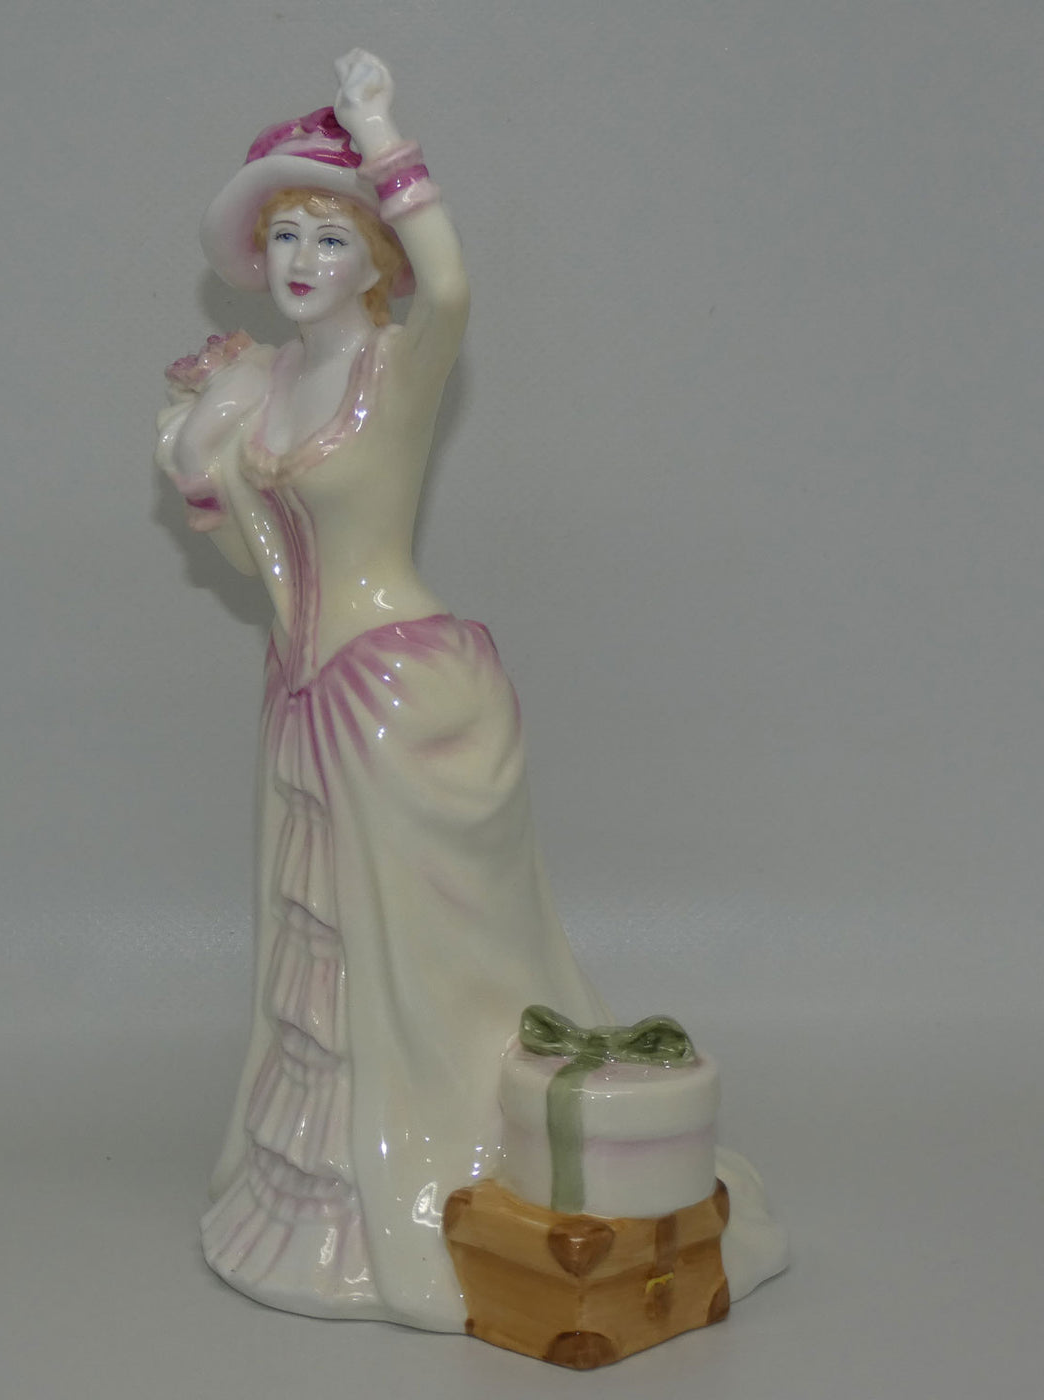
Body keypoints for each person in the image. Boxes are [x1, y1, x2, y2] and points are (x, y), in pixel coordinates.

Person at [156, 51, 782, 1332]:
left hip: (402, 701)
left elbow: (451, 283)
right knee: (322, 942)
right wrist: (198, 447)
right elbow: (253, 547)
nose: (301, 258)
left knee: (430, 970)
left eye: (331, 235)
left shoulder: (395, 365)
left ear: (372, 257)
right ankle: (320, 1201)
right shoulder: (258, 383)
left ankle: (454, 1169)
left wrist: (385, 139)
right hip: (305, 694)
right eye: (285, 235)